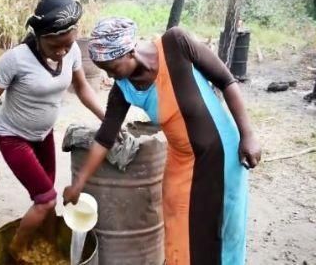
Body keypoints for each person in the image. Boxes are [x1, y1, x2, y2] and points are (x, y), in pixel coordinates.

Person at [63, 18, 262, 265]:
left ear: (130, 51)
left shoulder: (176, 44)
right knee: (180, 227)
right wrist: (78, 183)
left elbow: (226, 81)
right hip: (181, 161)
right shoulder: (123, 88)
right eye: (103, 69)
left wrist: (248, 135)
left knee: (222, 225)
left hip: (220, 153)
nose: (109, 75)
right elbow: (105, 137)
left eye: (111, 67)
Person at [0, 0, 105, 259]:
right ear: (38, 36)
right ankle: (15, 253)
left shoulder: (71, 52)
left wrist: (106, 118)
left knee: (45, 199)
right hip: (13, 138)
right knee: (47, 198)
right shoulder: (15, 60)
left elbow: (83, 88)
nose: (62, 51)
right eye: (55, 45)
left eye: (67, 44)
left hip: (43, 135)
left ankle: (48, 245)